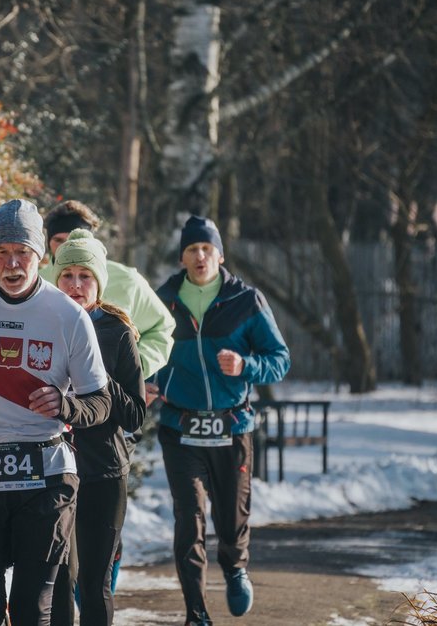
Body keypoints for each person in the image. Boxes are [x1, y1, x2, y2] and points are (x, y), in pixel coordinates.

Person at [0, 199, 112, 626]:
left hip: (46, 474)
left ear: (41, 256)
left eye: (23, 253)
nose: (13, 264)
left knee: (32, 610)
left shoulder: (68, 316)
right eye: (2, 252)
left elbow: (100, 402)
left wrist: (66, 405)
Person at [151, 215, 290, 626]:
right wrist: (153, 381)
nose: (199, 256)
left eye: (206, 249)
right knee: (188, 520)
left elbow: (280, 360)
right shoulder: (163, 302)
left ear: (220, 255)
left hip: (232, 428)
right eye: (192, 249)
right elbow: (141, 353)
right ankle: (196, 612)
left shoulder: (245, 301)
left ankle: (234, 567)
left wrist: (246, 364)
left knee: (230, 519)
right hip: (180, 427)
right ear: (182, 257)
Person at [47, 229, 148, 626]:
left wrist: (99, 379)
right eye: (67, 274)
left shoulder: (117, 331)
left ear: (98, 282)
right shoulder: (41, 321)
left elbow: (136, 415)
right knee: (55, 578)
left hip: (103, 471)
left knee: (92, 583)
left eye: (84, 276)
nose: (75, 284)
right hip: (52, 468)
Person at [39, 199, 174, 379]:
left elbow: (161, 326)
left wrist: (136, 369)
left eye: (73, 237)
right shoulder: (36, 282)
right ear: (48, 243)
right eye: (58, 240)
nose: (66, 246)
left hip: (112, 396)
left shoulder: (127, 280)